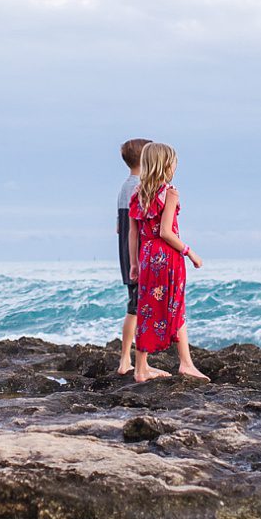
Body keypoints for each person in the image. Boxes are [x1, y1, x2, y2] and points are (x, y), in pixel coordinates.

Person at [129, 142, 207, 382]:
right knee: (176, 306)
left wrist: (134, 263)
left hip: (147, 255)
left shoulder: (138, 194)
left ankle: (140, 368)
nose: (175, 168)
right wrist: (189, 251)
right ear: (165, 165)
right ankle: (185, 363)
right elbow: (165, 232)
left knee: (146, 309)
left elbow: (134, 233)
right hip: (168, 256)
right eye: (173, 163)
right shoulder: (169, 193)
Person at [116, 138, 152, 375]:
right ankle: (133, 362)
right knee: (139, 308)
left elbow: (119, 227)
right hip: (138, 256)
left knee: (134, 306)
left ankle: (127, 360)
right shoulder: (140, 187)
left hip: (126, 256)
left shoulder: (124, 186)